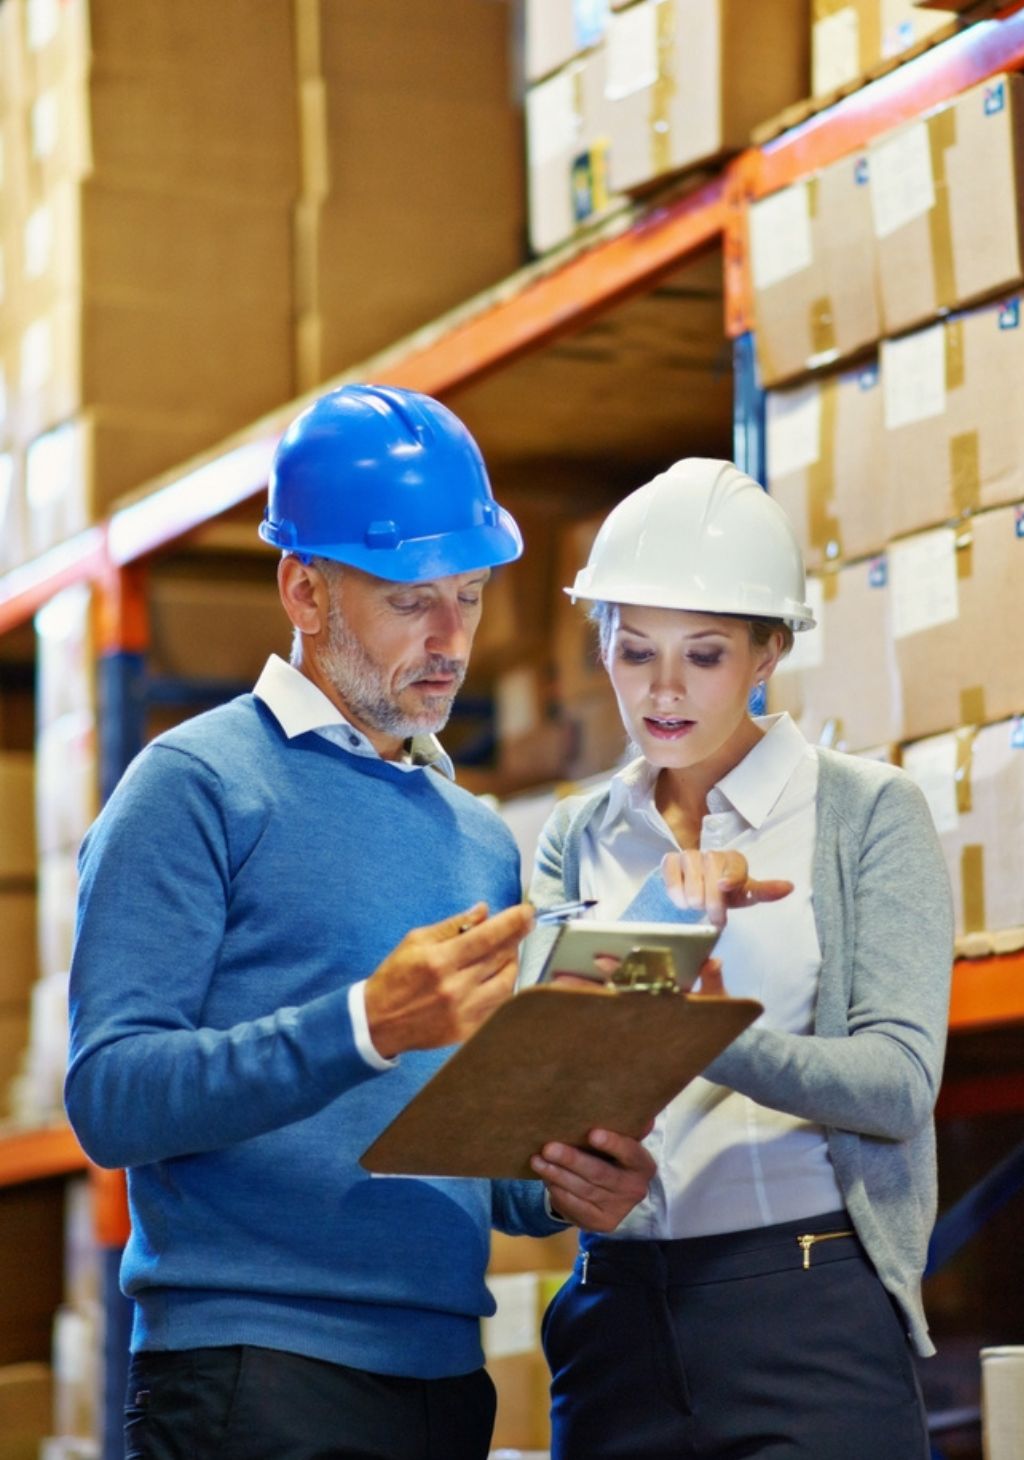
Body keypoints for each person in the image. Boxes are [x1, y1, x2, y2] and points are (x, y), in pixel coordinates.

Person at [65, 384, 656, 1460]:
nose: (449, 638)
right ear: (304, 587)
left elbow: (458, 1156)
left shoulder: (473, 835)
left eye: (469, 596)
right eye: (408, 599)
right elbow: (110, 1097)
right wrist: (363, 1024)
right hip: (256, 1376)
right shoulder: (194, 785)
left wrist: (560, 1175)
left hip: (441, 1381)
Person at [521, 458, 955, 1460]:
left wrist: (712, 1032)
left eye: (703, 654)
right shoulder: (575, 833)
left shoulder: (862, 813)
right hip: (611, 1321)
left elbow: (895, 1086)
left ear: (766, 652)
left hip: (806, 1313)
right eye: (633, 651)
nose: (661, 689)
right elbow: (545, 1077)